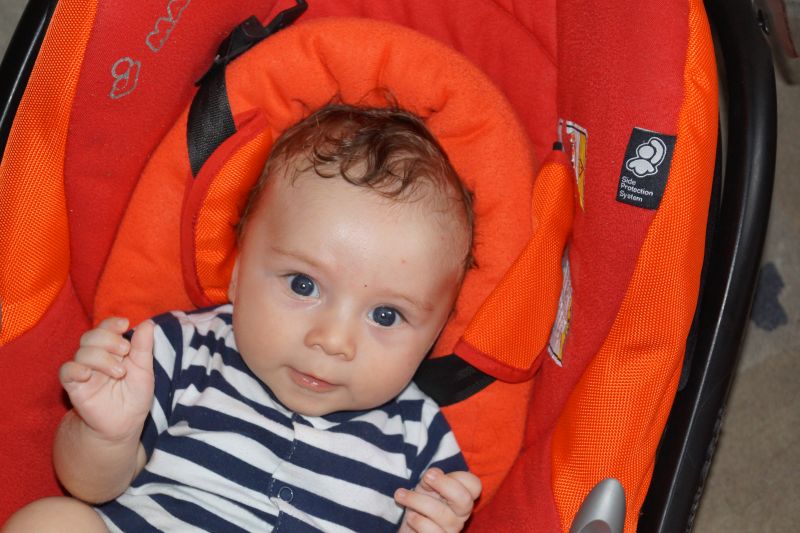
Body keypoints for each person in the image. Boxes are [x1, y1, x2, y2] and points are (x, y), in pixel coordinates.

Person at [3, 104, 480, 532]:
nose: (334, 340)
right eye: (303, 285)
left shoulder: (420, 442)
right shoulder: (178, 351)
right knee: (51, 521)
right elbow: (88, 486)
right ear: (237, 271)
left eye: (386, 315)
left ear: (435, 335)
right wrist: (107, 434)